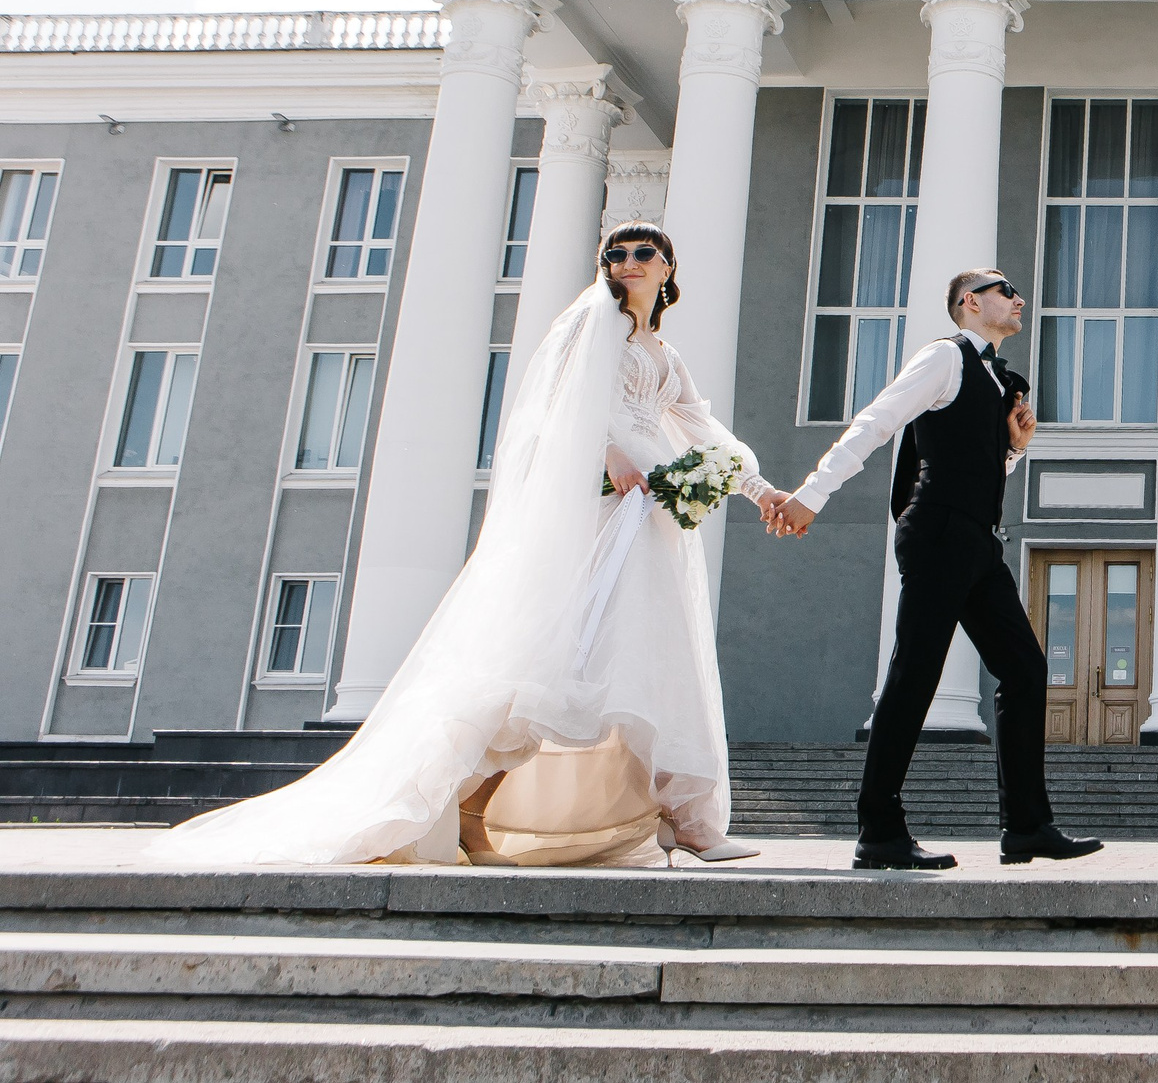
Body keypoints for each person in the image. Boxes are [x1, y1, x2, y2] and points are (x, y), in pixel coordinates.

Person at [151, 224, 768, 867]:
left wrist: (764, 493)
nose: (629, 262)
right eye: (616, 253)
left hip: (649, 527)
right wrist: (606, 449)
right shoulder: (590, 327)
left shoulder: (666, 356)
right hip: (599, 517)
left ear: (668, 267)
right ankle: (471, 809)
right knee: (551, 672)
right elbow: (546, 413)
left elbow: (706, 433)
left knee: (658, 665)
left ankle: (692, 821)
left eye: (645, 253)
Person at [762, 269, 1102, 870]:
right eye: (1006, 290)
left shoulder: (998, 381)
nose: (1019, 299)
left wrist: (1013, 449)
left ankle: (1026, 826)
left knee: (1024, 669)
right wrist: (813, 494)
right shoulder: (943, 360)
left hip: (976, 539)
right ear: (971, 303)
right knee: (915, 673)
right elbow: (877, 421)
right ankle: (879, 832)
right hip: (938, 531)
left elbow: (979, 470)